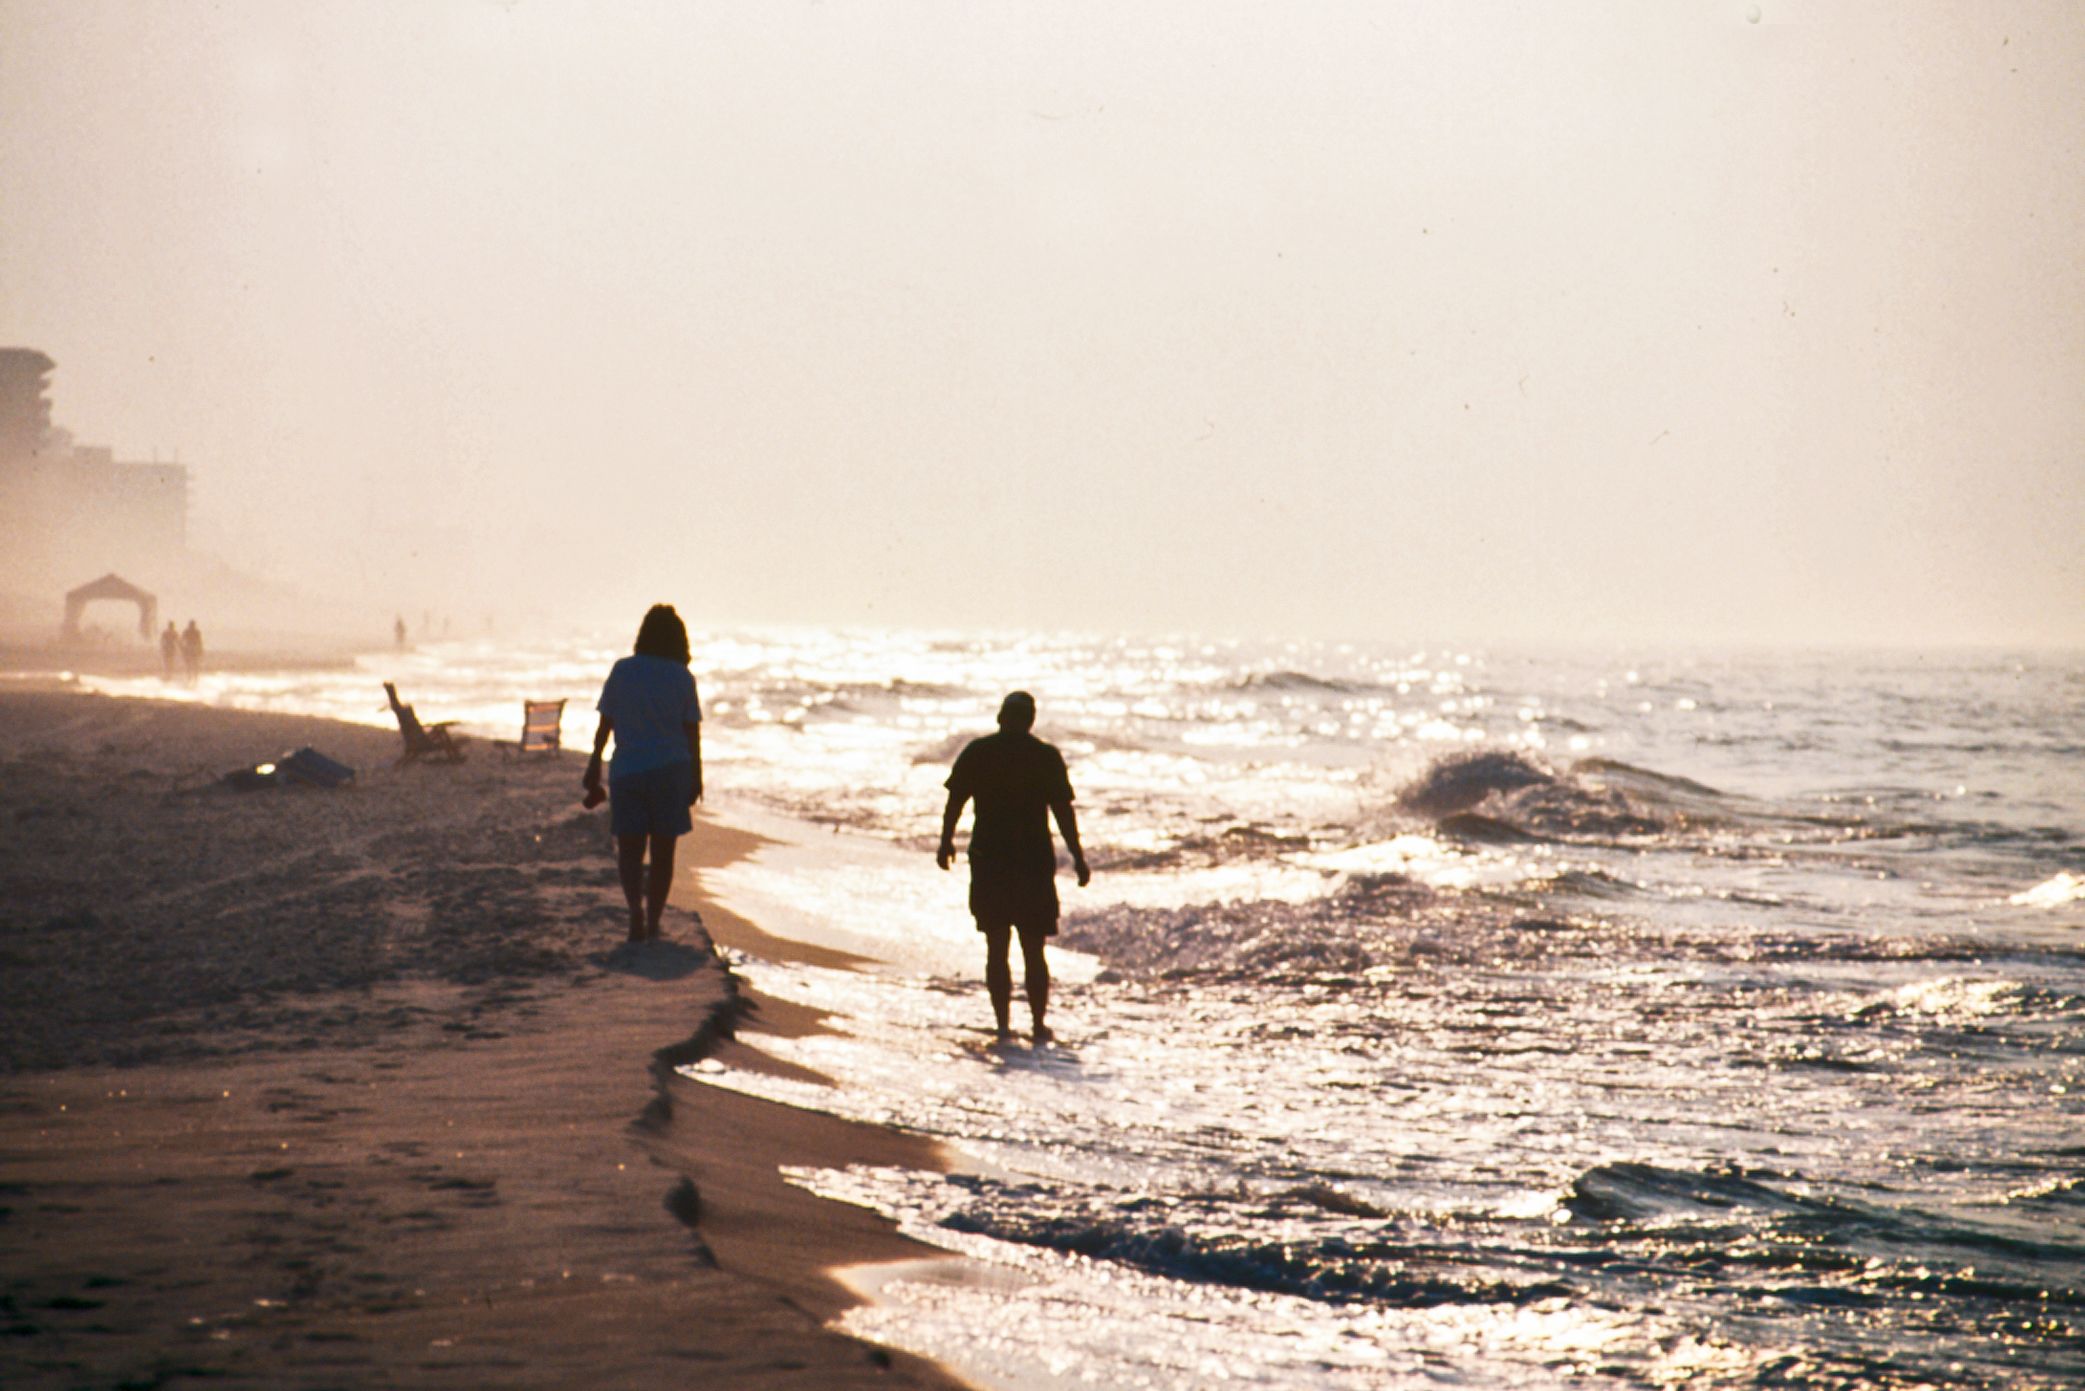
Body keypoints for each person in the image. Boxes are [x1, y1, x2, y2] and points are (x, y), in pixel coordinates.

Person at [937, 691, 1090, 1043]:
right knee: (1033, 948)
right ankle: (1037, 1025)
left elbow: (955, 801)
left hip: (990, 860)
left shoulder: (979, 752)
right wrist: (1078, 857)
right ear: (1030, 720)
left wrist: (946, 841)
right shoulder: (1045, 757)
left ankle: (1003, 1025)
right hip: (1032, 863)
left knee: (996, 945)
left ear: (1000, 718)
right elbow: (1063, 813)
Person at [583, 604, 703, 943]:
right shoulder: (682, 677)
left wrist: (594, 763)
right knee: (663, 853)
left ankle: (635, 911)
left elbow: (605, 723)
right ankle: (653, 921)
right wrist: (697, 777)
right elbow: (691, 732)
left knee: (630, 850)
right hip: (671, 770)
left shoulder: (623, 670)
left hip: (628, 770)